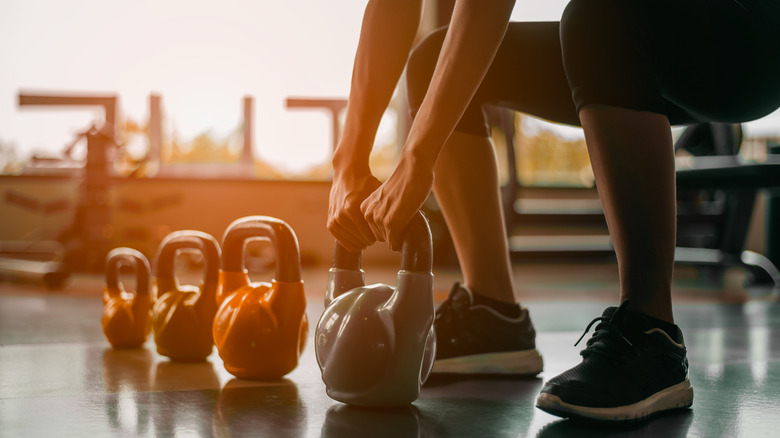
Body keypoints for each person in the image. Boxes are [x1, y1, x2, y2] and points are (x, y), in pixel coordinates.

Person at [327, 0, 780, 422]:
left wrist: (416, 159)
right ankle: (494, 318)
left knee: (599, 14)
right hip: (630, 40)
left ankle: (651, 334)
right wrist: (348, 163)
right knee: (433, 60)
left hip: (750, 36)